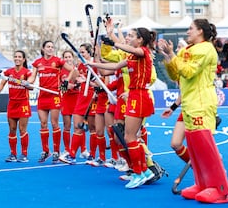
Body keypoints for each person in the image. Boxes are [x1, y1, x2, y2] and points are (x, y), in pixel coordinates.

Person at [158, 19, 228, 203]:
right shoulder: (186, 50)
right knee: (196, 149)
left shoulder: (206, 49)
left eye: (191, 28)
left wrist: (174, 58)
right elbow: (176, 75)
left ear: (200, 31)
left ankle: (221, 189)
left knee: (204, 147)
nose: (188, 31)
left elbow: (189, 71)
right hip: (189, 104)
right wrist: (169, 57)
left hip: (201, 103)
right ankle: (202, 184)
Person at [87, 26, 156, 189]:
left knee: (130, 137)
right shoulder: (132, 56)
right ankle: (143, 171)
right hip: (133, 95)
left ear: (140, 40)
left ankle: (139, 172)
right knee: (127, 136)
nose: (128, 37)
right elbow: (115, 66)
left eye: (131, 36)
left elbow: (130, 49)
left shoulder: (143, 51)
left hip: (139, 96)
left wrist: (114, 42)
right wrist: (92, 63)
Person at [27, 40, 75, 163]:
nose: (50, 49)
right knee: (43, 123)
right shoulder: (37, 63)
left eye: (52, 47)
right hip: (42, 97)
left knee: (54, 123)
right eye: (48, 47)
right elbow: (32, 77)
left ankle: (56, 151)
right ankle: (45, 151)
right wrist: (28, 82)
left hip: (54, 96)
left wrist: (66, 81)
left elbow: (73, 70)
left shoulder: (58, 61)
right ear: (43, 49)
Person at [59, 43, 97, 165]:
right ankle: (72, 155)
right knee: (77, 126)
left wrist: (88, 82)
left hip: (93, 97)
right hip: (81, 97)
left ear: (89, 52)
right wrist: (67, 83)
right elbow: (74, 75)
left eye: (83, 52)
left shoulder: (95, 64)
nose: (81, 55)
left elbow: (100, 81)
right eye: (79, 52)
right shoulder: (80, 65)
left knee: (92, 127)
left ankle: (93, 155)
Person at [0, 50, 32, 163]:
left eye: (19, 57)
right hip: (12, 103)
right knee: (12, 129)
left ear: (23, 59)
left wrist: (27, 84)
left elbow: (31, 86)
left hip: (23, 103)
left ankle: (24, 154)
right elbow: (2, 84)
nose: (17, 58)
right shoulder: (8, 72)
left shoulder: (27, 72)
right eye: (15, 56)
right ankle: (13, 154)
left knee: (22, 129)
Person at [59, 50, 81, 156]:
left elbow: (81, 82)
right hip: (66, 99)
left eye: (69, 57)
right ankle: (67, 149)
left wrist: (76, 85)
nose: (68, 59)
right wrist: (66, 86)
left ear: (73, 58)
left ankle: (83, 149)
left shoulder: (77, 69)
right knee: (66, 125)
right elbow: (61, 87)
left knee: (79, 125)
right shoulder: (61, 71)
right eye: (65, 57)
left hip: (77, 99)